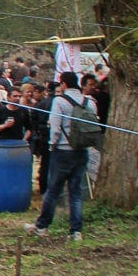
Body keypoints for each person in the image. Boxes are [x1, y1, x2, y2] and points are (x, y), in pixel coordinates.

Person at [31, 72, 98, 241]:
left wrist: (52, 146)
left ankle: (42, 226)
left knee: (53, 190)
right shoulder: (90, 102)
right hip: (82, 150)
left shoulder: (59, 101)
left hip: (62, 151)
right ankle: (76, 231)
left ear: (64, 84)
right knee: (75, 192)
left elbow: (55, 127)